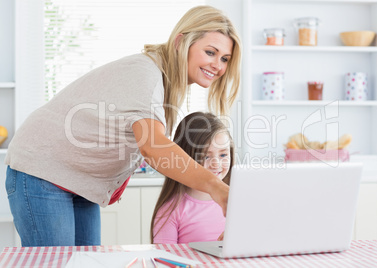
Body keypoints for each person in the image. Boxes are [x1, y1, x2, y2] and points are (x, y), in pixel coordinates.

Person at [4, 5, 241, 247]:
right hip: (42, 168)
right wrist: (215, 187)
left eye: (224, 59)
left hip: (81, 180)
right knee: (58, 264)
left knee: (86, 262)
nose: (218, 66)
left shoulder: (165, 83)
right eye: (210, 52)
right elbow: (153, 147)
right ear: (181, 42)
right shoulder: (146, 75)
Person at [151, 112, 234, 244]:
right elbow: (164, 260)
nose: (216, 164)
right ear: (185, 160)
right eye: (206, 156)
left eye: (223, 155)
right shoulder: (170, 211)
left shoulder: (237, 203)